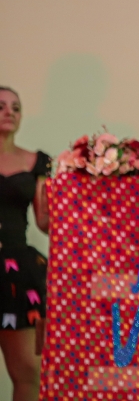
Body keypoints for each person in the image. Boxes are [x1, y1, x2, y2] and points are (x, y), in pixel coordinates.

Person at [0, 87, 49, 401]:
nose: (10, 112)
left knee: (29, 373)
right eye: (1, 106)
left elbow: (45, 221)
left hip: (17, 272)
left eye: (15, 108)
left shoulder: (36, 161)